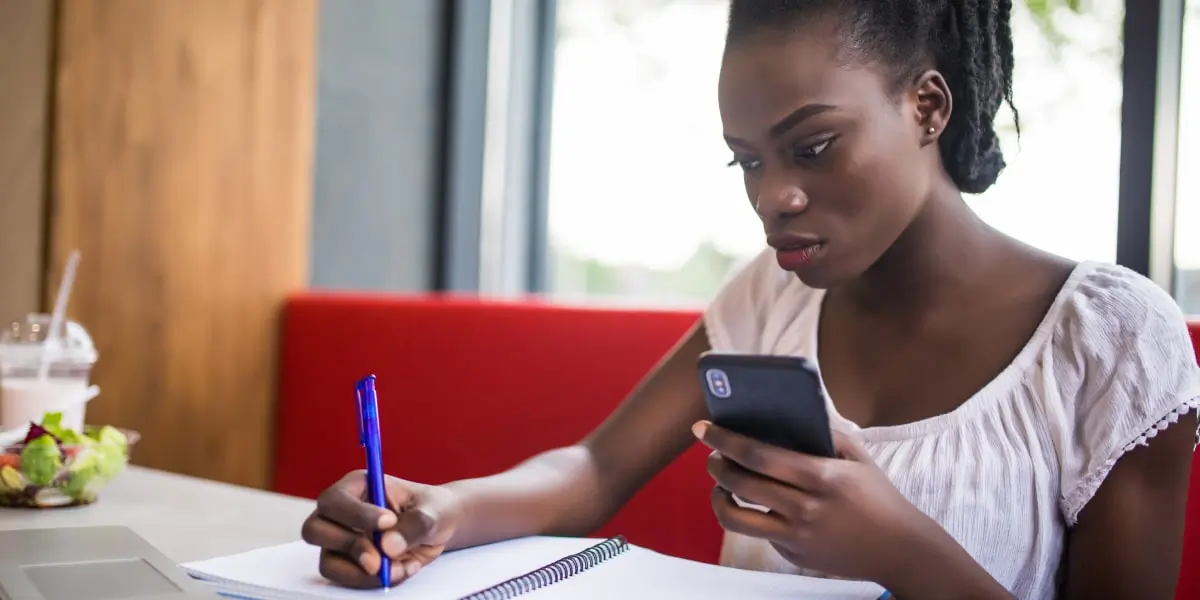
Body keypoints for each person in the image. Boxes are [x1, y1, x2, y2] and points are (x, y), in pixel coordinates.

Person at [300, 1, 1200, 598]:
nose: (773, 197)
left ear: (927, 106)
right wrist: (444, 511)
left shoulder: (1110, 341)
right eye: (748, 160)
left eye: (813, 147)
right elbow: (596, 468)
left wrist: (897, 551)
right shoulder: (773, 296)